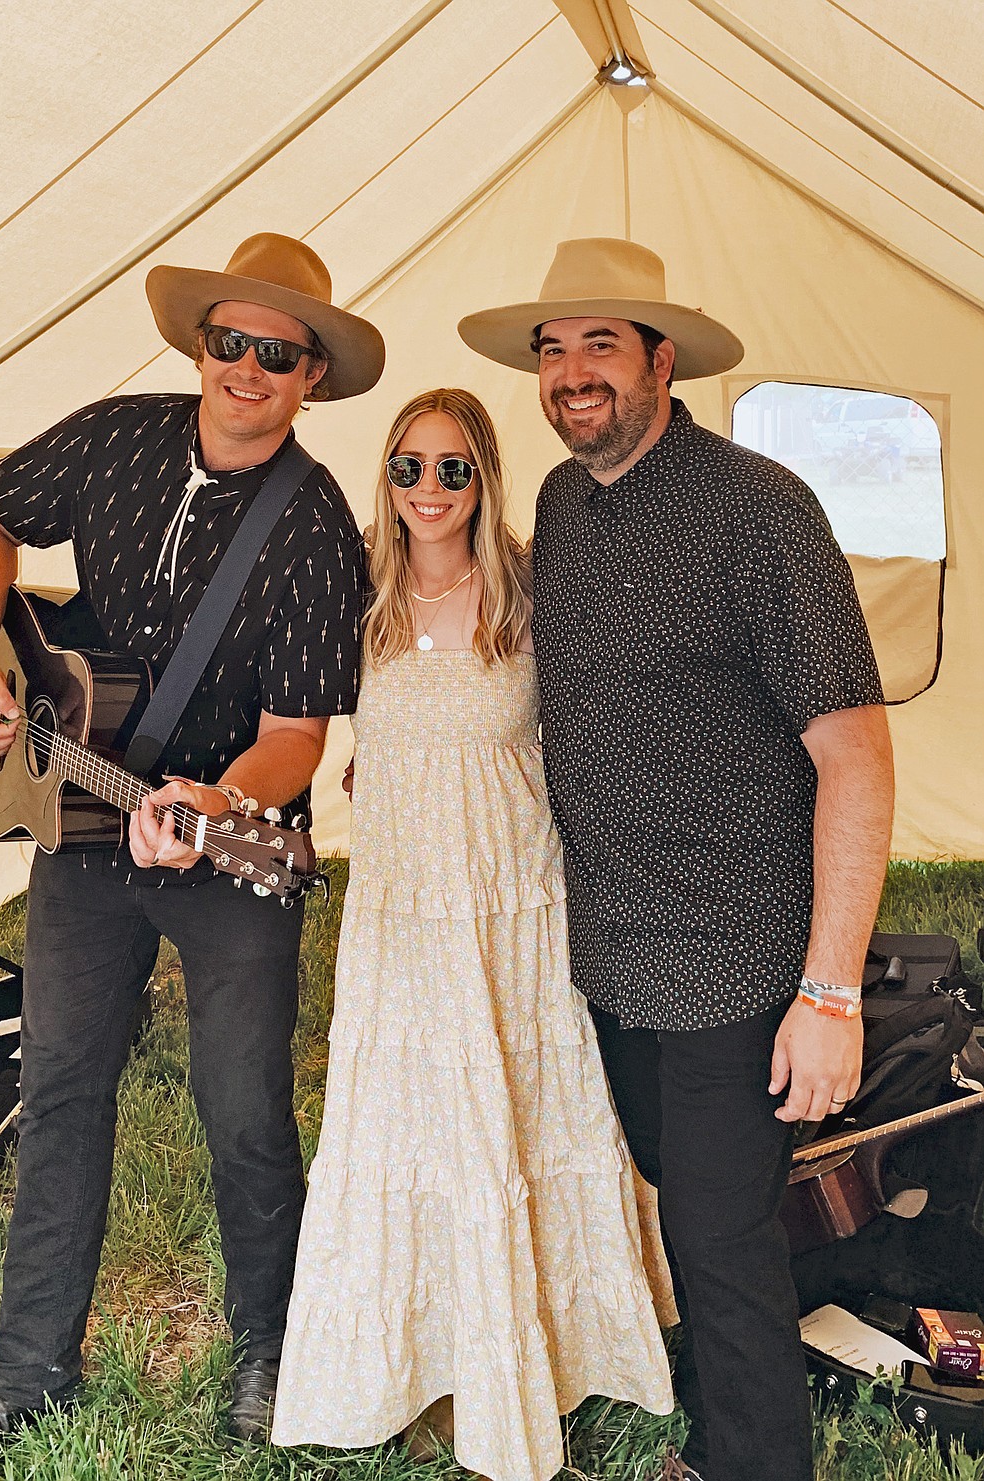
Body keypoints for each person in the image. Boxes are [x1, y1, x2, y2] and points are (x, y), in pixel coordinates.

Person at [458, 238, 895, 1481]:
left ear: (663, 360)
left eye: (602, 343)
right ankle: (717, 1438)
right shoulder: (557, 504)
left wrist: (831, 990)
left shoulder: (762, 509)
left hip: (740, 955)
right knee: (691, 1214)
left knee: (719, 1244)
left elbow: (857, 758)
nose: (572, 372)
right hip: (614, 954)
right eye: (553, 349)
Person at [0, 233, 384, 1443]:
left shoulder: (317, 527)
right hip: (81, 830)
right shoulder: (112, 436)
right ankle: (30, 1367)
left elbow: (297, 734)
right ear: (201, 345)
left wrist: (217, 808)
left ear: (310, 378)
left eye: (278, 353)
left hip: (231, 846)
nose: (248, 367)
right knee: (61, 1088)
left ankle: (272, 1347)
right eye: (229, 340)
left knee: (243, 1101)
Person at [271, 388, 673, 1481]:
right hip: (403, 906)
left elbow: (609, 709)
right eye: (410, 467)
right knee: (407, 1130)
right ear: (385, 476)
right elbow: (303, 720)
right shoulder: (354, 585)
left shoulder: (537, 581)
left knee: (518, 1119)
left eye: (454, 469)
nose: (431, 491)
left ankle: (541, 1352)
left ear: (485, 476)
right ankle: (412, 1356)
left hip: (512, 900)